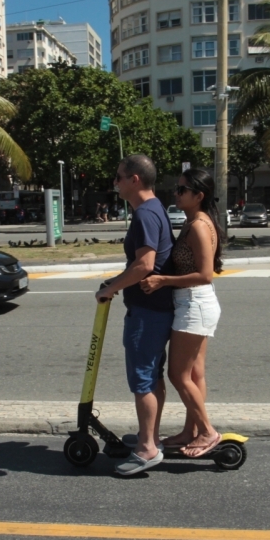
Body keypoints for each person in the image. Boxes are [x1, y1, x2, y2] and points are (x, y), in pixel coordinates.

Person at [95, 155, 174, 476]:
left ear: (135, 179)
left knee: (143, 379)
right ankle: (149, 438)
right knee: (153, 377)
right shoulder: (156, 209)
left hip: (146, 312)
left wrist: (110, 288)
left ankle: (146, 450)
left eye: (118, 177)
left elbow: (144, 265)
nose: (115, 183)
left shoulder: (144, 214)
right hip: (156, 309)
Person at [140, 168, 223, 457]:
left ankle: (208, 432)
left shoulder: (199, 225)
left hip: (194, 304)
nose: (176, 194)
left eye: (182, 190)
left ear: (198, 196)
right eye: (177, 188)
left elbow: (205, 274)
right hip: (193, 303)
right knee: (195, 373)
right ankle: (191, 432)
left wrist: (162, 280)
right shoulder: (193, 221)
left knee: (178, 375)